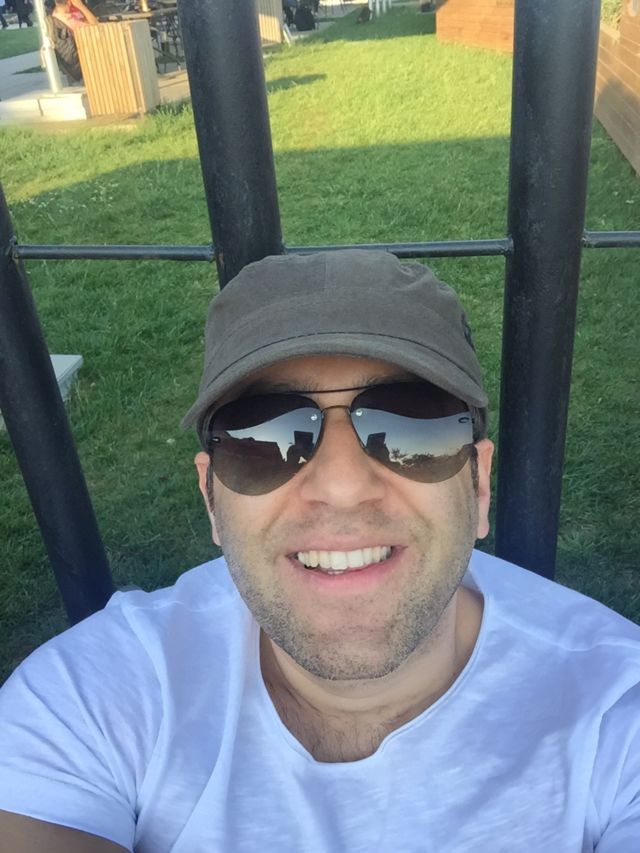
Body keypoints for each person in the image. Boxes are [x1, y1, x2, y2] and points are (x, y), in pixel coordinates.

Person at [0, 249, 639, 851]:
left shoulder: (617, 709)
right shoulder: (95, 698)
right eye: (261, 435)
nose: (341, 487)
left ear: (478, 487)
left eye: (411, 421)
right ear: (212, 501)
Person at [49, 0, 97, 82]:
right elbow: (95, 25)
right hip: (86, 59)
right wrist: (81, 6)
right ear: (69, 2)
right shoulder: (67, 20)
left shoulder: (61, 12)